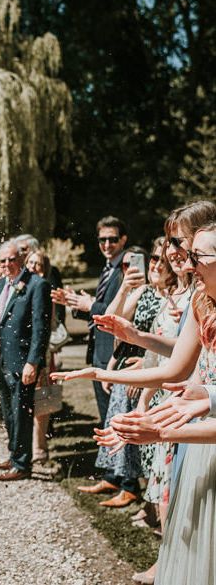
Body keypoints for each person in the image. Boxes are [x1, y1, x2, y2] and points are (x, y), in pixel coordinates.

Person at [98, 223, 216, 585]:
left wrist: (159, 431)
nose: (189, 264)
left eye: (199, 256)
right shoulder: (204, 303)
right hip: (203, 446)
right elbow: (187, 382)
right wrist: (144, 421)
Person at [84, 245, 165, 508]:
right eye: (151, 260)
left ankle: (136, 491)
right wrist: (125, 288)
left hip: (149, 373)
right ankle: (124, 483)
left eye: (158, 260)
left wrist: (146, 362)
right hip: (126, 367)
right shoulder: (143, 290)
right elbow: (110, 319)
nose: (153, 265)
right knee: (120, 425)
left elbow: (167, 338)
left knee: (139, 436)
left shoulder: (172, 297)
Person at [0, 240, 51, 481]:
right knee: (8, 411)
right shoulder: (1, 285)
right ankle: (13, 454)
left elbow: (41, 327)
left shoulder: (36, 285)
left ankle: (22, 464)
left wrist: (34, 361)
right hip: (1, 359)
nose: (7, 264)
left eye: (11, 259)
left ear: (21, 258)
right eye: (2, 260)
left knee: (22, 412)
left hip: (21, 360)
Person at [52, 216, 128, 425]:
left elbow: (121, 313)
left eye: (112, 239)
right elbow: (100, 307)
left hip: (113, 352)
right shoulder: (107, 269)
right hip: (97, 352)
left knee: (115, 418)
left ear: (123, 240)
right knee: (105, 417)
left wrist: (91, 305)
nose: (106, 245)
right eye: (102, 240)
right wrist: (76, 304)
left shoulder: (126, 270)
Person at [25, 249, 57, 463]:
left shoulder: (45, 288)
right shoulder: (22, 288)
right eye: (30, 263)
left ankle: (40, 447)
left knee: (43, 398)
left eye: (38, 264)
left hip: (41, 352)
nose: (33, 267)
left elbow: (48, 324)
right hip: (24, 351)